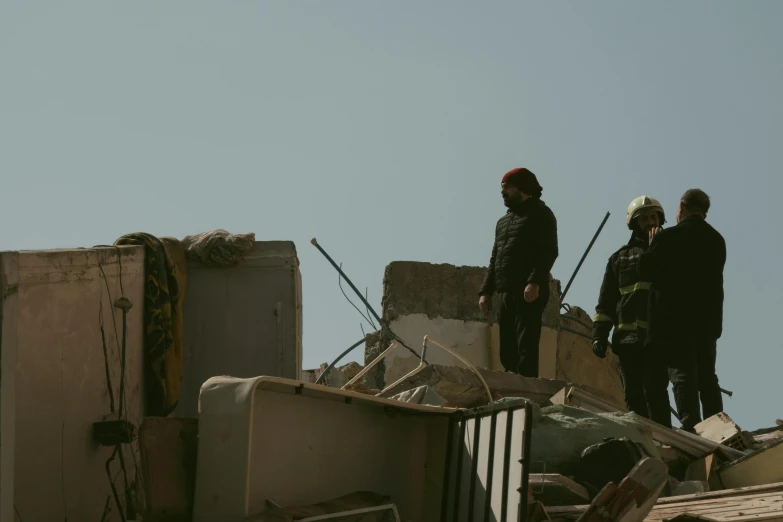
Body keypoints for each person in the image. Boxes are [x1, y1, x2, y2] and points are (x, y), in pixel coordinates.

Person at [640, 189, 726, 432]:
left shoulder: (669, 237)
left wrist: (653, 243)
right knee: (708, 376)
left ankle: (691, 426)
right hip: (708, 321)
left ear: (682, 207)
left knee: (684, 372)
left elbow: (646, 269)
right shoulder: (717, 240)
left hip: (676, 319)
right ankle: (717, 427)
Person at [591, 196, 673, 428]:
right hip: (627, 341)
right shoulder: (619, 258)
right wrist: (598, 335)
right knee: (634, 397)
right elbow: (606, 302)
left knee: (655, 392)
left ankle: (666, 444)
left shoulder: (670, 252)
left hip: (657, 339)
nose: (650, 222)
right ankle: (641, 443)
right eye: (644, 218)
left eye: (654, 217)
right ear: (634, 223)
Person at [478, 168, 558, 377]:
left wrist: (534, 282)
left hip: (528, 291)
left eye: (507, 187)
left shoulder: (541, 213)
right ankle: (513, 388)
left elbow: (548, 251)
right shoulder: (503, 222)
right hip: (505, 292)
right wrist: (486, 291)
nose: (502, 192)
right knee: (507, 350)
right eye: (501, 188)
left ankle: (527, 394)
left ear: (522, 188)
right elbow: (495, 258)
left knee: (526, 347)